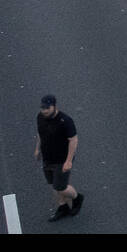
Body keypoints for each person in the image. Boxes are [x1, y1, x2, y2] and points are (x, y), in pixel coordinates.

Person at [35, 94, 83, 222]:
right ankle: (63, 207)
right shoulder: (40, 117)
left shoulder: (65, 121)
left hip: (61, 160)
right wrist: (37, 149)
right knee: (54, 184)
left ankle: (77, 198)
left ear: (54, 106)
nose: (44, 111)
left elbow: (73, 140)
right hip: (47, 157)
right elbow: (40, 133)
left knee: (60, 187)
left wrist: (68, 161)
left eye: (47, 108)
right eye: (42, 108)